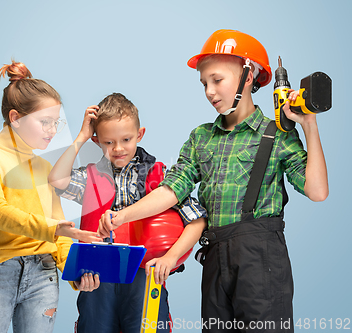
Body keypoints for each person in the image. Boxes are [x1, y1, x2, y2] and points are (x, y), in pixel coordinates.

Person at [99, 30, 329, 332]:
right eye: (204, 83)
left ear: (249, 76)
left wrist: (309, 125)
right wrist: (121, 216)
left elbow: (317, 191)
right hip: (215, 255)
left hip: (260, 258)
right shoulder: (201, 137)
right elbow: (171, 190)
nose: (209, 91)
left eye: (217, 80)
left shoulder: (277, 133)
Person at [0, 60, 101, 333]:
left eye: (56, 123)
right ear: (15, 117)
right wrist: (55, 229)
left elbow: (60, 232)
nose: (52, 130)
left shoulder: (45, 168)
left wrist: (76, 273)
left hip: (44, 276)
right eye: (45, 122)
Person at [48, 92, 207, 333]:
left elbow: (197, 219)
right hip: (98, 279)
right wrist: (81, 136)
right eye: (108, 142)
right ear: (97, 140)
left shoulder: (160, 177)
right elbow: (57, 179)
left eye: (126, 139)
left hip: (145, 277)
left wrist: (170, 258)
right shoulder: (90, 176)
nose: (118, 148)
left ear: (140, 135)